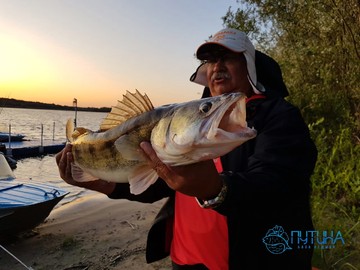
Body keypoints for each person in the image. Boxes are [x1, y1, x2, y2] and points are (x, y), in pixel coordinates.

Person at [56, 28, 317, 270]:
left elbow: (277, 185)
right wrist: (104, 185)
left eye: (228, 57)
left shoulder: (279, 117)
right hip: (184, 260)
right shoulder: (187, 125)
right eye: (211, 60)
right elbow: (160, 184)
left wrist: (217, 189)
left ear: (248, 63)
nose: (217, 66)